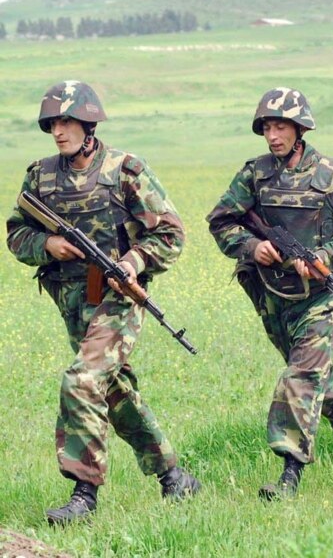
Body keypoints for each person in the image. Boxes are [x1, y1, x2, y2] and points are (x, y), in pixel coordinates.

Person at [6, 81, 200, 525]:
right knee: (113, 392)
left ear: (88, 123)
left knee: (82, 380)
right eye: (52, 123)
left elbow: (171, 233)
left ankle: (84, 495)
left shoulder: (125, 170)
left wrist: (133, 261)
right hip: (74, 302)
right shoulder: (40, 176)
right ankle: (174, 477)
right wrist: (47, 244)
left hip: (119, 299)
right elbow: (17, 232)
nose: (58, 131)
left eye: (67, 121)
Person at [207, 87, 333, 500]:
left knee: (301, 377)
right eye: (267, 128)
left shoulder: (330, 173)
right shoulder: (255, 174)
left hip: (319, 297)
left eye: (281, 127)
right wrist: (253, 246)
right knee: (320, 382)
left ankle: (289, 477)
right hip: (272, 297)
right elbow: (221, 221)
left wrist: (324, 257)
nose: (273, 136)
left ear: (300, 129)